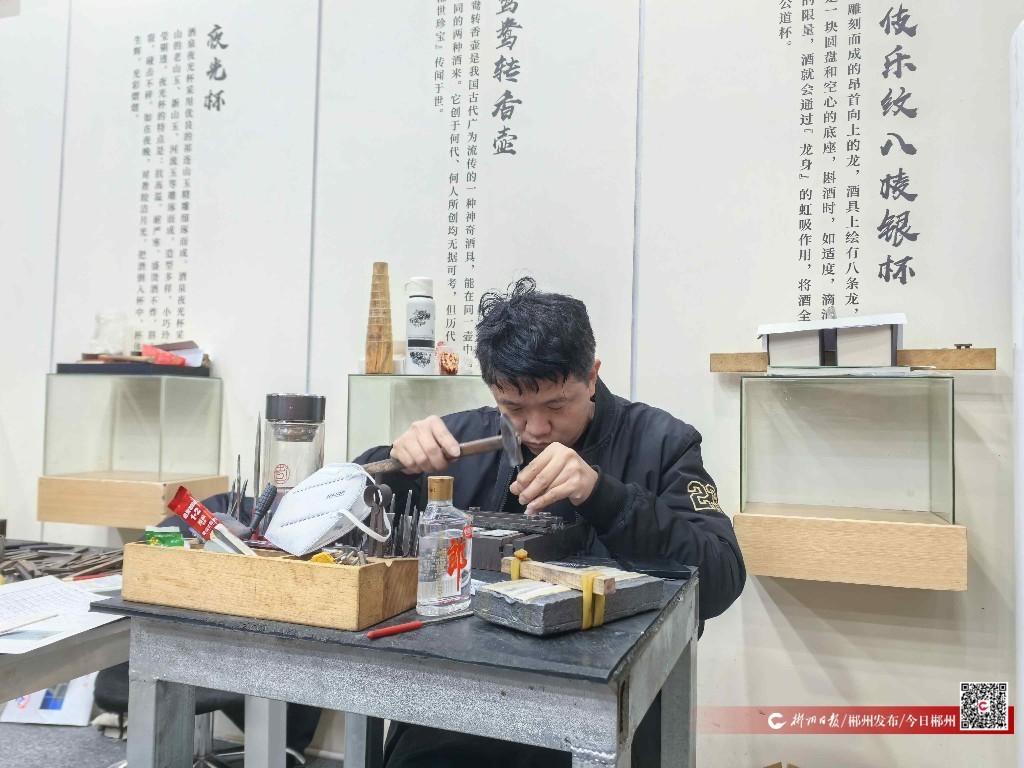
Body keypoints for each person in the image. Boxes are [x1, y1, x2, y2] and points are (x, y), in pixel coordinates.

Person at [355, 277, 745, 768]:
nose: (537, 429)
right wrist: (391, 465)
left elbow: (722, 578)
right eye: (514, 409)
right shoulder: (462, 440)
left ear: (592, 376)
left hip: (603, 712)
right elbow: (333, 517)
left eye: (557, 405)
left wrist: (603, 495)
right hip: (461, 706)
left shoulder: (662, 443)